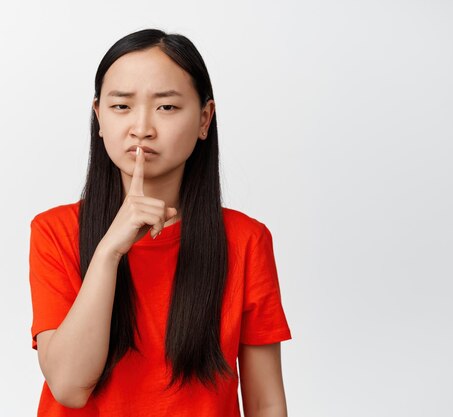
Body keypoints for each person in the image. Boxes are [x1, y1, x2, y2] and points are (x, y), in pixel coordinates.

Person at [28, 28, 292, 417]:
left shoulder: (245, 240)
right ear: (98, 117)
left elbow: (265, 402)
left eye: (166, 107)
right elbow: (68, 387)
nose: (142, 127)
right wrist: (108, 252)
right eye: (121, 106)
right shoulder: (54, 231)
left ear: (205, 119)